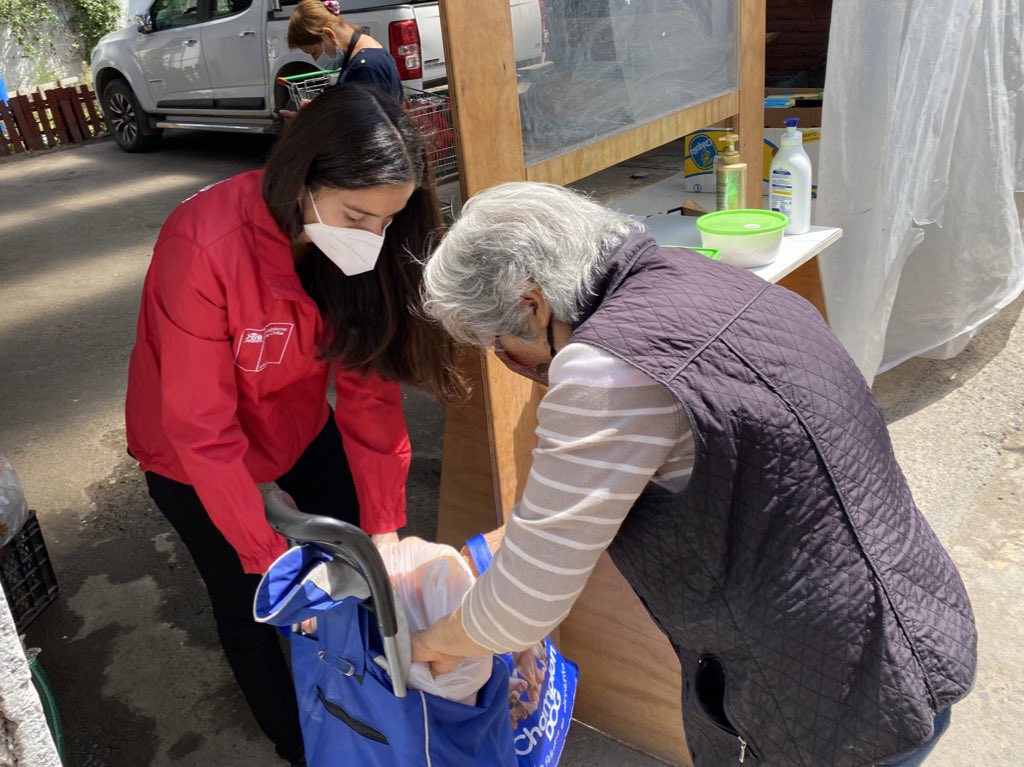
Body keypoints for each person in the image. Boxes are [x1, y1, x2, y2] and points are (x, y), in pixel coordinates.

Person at [413, 182, 978, 767]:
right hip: (915, 618)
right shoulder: (705, 280)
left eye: (499, 345)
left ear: (533, 305)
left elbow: (521, 608)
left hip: (830, 696)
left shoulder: (606, 368)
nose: (510, 363)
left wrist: (436, 641)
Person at [125, 84, 462, 766]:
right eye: (357, 214)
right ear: (302, 181)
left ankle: (375, 698)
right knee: (250, 600)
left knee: (371, 565)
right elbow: (202, 428)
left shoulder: (360, 253)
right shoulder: (205, 243)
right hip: (187, 449)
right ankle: (299, 742)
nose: (372, 238)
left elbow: (369, 396)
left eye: (388, 221)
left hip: (297, 422)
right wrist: (268, 557)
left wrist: (386, 529)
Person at [286, 0, 403, 107]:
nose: (315, 59)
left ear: (329, 35)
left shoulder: (365, 66)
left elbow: (361, 126)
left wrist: (306, 121)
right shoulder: (364, 51)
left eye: (314, 53)